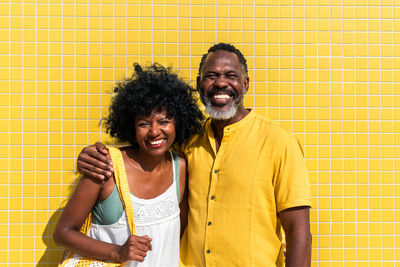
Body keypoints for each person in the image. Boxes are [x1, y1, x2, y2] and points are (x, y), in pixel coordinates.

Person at [76, 43, 312, 266]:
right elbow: (148, 145)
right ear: (200, 84)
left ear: (246, 83)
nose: (221, 83)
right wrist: (93, 155)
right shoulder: (188, 141)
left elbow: (298, 230)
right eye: (211, 76)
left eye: (231, 76)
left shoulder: (279, 142)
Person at [53, 63, 204, 266]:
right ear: (132, 128)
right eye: (144, 123)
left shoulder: (180, 166)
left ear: (178, 123)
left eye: (164, 121)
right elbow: (62, 233)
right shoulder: (106, 167)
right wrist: (117, 252)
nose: (154, 131)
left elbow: (176, 234)